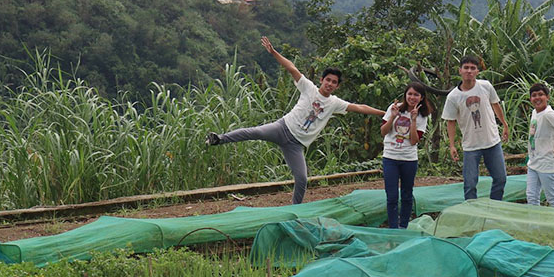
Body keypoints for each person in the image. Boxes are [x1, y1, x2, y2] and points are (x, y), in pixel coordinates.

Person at [206, 36, 384, 204]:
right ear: (321, 80)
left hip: (296, 145)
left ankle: (294, 209)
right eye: (327, 80)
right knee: (254, 132)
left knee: (302, 179)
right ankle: (219, 139)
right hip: (282, 128)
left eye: (334, 82)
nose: (329, 84)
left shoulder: (334, 103)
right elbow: (292, 68)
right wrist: (274, 52)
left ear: (337, 86)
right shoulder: (309, 88)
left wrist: (384, 113)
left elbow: (360, 107)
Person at [442, 56, 509, 201]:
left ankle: (494, 207)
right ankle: (472, 213)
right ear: (460, 70)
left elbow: (495, 104)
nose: (469, 71)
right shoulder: (453, 97)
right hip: (471, 146)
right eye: (466, 68)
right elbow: (451, 121)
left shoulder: (485, 86)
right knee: (470, 184)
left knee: (500, 178)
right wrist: (452, 145)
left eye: (473, 68)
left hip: (492, 141)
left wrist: (504, 124)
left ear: (477, 71)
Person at [380, 82, 432, 228]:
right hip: (390, 157)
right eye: (410, 94)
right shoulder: (394, 108)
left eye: (416, 95)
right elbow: (383, 132)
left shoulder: (422, 116)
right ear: (405, 95)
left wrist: (413, 120)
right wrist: (393, 117)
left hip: (409, 159)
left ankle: (404, 226)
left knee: (407, 194)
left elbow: (414, 140)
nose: (412, 97)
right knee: (392, 196)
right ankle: (393, 227)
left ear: (421, 98)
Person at [526, 82, 554, 208]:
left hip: (547, 163)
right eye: (534, 95)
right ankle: (535, 226)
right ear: (530, 99)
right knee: (531, 196)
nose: (537, 98)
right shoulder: (535, 112)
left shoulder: (548, 114)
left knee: (552, 198)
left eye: (541, 94)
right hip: (534, 162)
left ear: (547, 97)